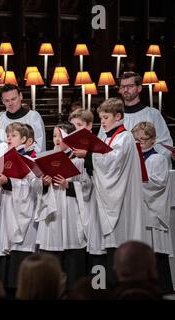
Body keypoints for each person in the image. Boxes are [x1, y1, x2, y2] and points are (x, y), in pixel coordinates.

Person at [91, 98, 147, 285]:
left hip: (122, 199)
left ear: (118, 116)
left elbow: (111, 165)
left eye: (106, 117)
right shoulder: (107, 137)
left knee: (120, 241)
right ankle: (108, 286)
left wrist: (90, 155)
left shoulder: (124, 138)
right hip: (113, 196)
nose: (103, 122)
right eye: (101, 118)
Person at [35, 122, 92, 288]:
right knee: (52, 255)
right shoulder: (46, 158)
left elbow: (88, 186)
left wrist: (70, 185)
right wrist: (44, 184)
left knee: (72, 255)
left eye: (60, 136)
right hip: (52, 213)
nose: (56, 139)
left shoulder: (79, 161)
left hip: (71, 210)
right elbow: (36, 187)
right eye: (54, 136)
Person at [0, 122, 38, 290]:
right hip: (2, 205)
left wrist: (9, 183)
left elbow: (34, 187)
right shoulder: (2, 157)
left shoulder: (30, 160)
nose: (9, 138)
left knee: (16, 249)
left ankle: (16, 287)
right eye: (7, 135)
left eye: (14, 136)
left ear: (24, 140)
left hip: (18, 209)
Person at [131, 121, 173, 294]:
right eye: (137, 139)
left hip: (152, 211)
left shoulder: (157, 159)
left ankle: (162, 287)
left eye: (144, 138)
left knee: (156, 252)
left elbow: (158, 183)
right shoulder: (134, 158)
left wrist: (137, 181)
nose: (140, 141)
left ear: (153, 140)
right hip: (139, 211)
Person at [69, 109, 106, 271]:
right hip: (79, 206)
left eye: (79, 125)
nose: (75, 130)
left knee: (97, 247)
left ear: (89, 126)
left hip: (95, 206)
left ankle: (99, 288)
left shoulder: (96, 147)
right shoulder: (73, 151)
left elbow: (96, 178)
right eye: (73, 126)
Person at [107, 71, 173, 161]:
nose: (126, 90)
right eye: (122, 87)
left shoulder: (153, 114)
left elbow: (164, 145)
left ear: (139, 88)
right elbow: (103, 144)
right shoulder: (113, 117)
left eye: (130, 86)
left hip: (147, 165)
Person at [0, 84, 46, 152]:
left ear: (20, 96)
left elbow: (39, 146)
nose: (10, 103)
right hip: (3, 161)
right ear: (2, 101)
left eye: (13, 99)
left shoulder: (33, 117)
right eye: (7, 100)